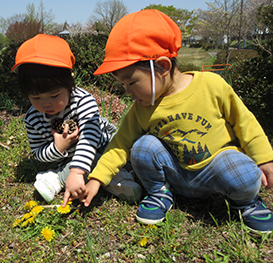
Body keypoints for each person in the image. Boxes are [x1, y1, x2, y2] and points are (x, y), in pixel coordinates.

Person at [71, 9, 273, 234]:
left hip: (216, 172)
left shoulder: (211, 86)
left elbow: (245, 123)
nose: (127, 91)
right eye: (123, 86)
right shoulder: (142, 108)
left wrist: (264, 158)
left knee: (241, 169)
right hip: (176, 175)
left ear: (163, 67)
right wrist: (97, 179)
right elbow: (120, 144)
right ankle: (159, 192)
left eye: (131, 82)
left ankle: (246, 203)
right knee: (143, 146)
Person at [12, 34, 143, 204]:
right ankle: (110, 181)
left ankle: (63, 177)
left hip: (103, 148)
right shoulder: (32, 118)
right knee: (76, 164)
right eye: (35, 97)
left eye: (54, 95)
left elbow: (90, 137)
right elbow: (37, 153)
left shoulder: (82, 100)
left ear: (70, 82)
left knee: (118, 158)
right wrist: (58, 147)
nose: (46, 103)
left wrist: (77, 171)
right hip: (68, 159)